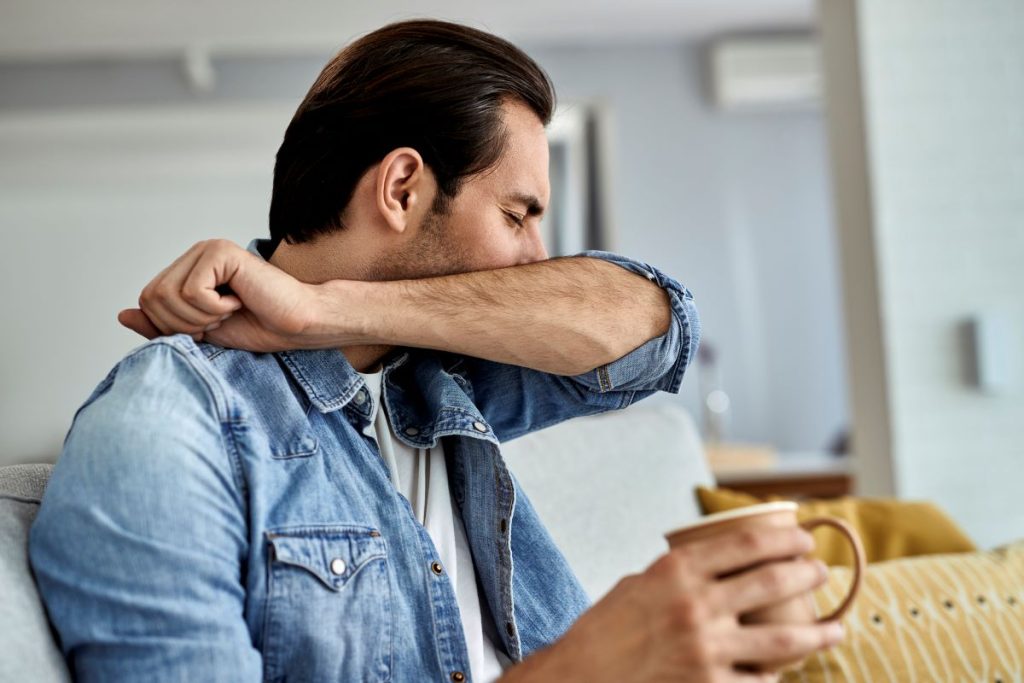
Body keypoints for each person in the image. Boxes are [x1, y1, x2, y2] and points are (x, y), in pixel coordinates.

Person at [29, 19, 843, 683]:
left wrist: (317, 308)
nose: (535, 256)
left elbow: (659, 330)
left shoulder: (438, 375)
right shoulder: (168, 423)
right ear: (403, 188)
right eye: (519, 214)